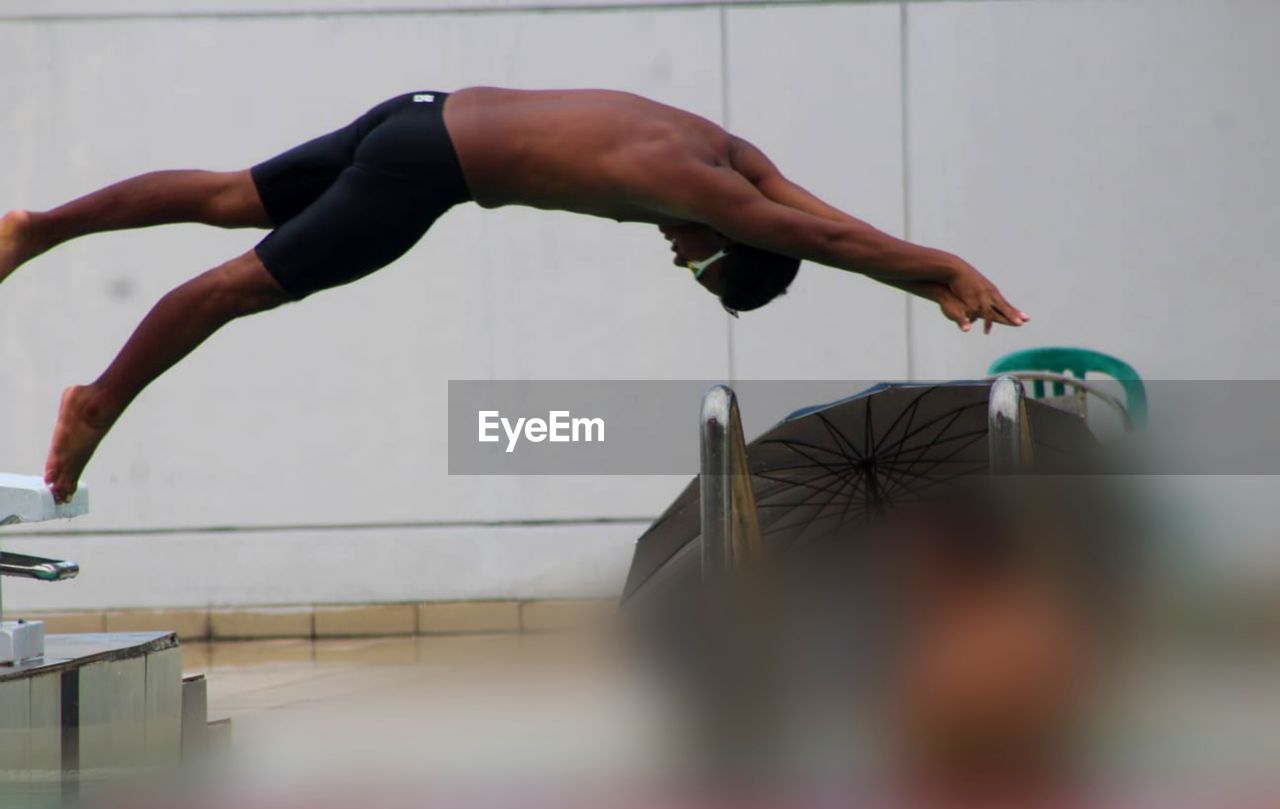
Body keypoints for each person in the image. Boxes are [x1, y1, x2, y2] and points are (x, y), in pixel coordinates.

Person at [0, 87, 1028, 502]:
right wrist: (935, 268)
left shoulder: (724, 154)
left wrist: (922, 263)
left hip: (414, 110)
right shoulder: (708, 196)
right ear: (734, 239)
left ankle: (35, 228)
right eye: (703, 264)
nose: (680, 258)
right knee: (236, 285)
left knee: (231, 195)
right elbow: (818, 233)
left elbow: (803, 202)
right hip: (424, 175)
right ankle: (100, 399)